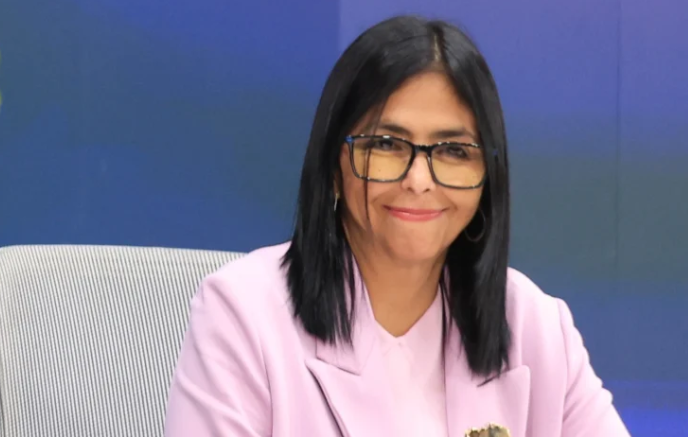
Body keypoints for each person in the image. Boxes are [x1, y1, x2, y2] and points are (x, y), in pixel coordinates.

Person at [164, 15, 630, 437]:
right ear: (333, 164)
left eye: (454, 151)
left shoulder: (535, 325)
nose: (419, 181)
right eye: (387, 144)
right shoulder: (244, 313)